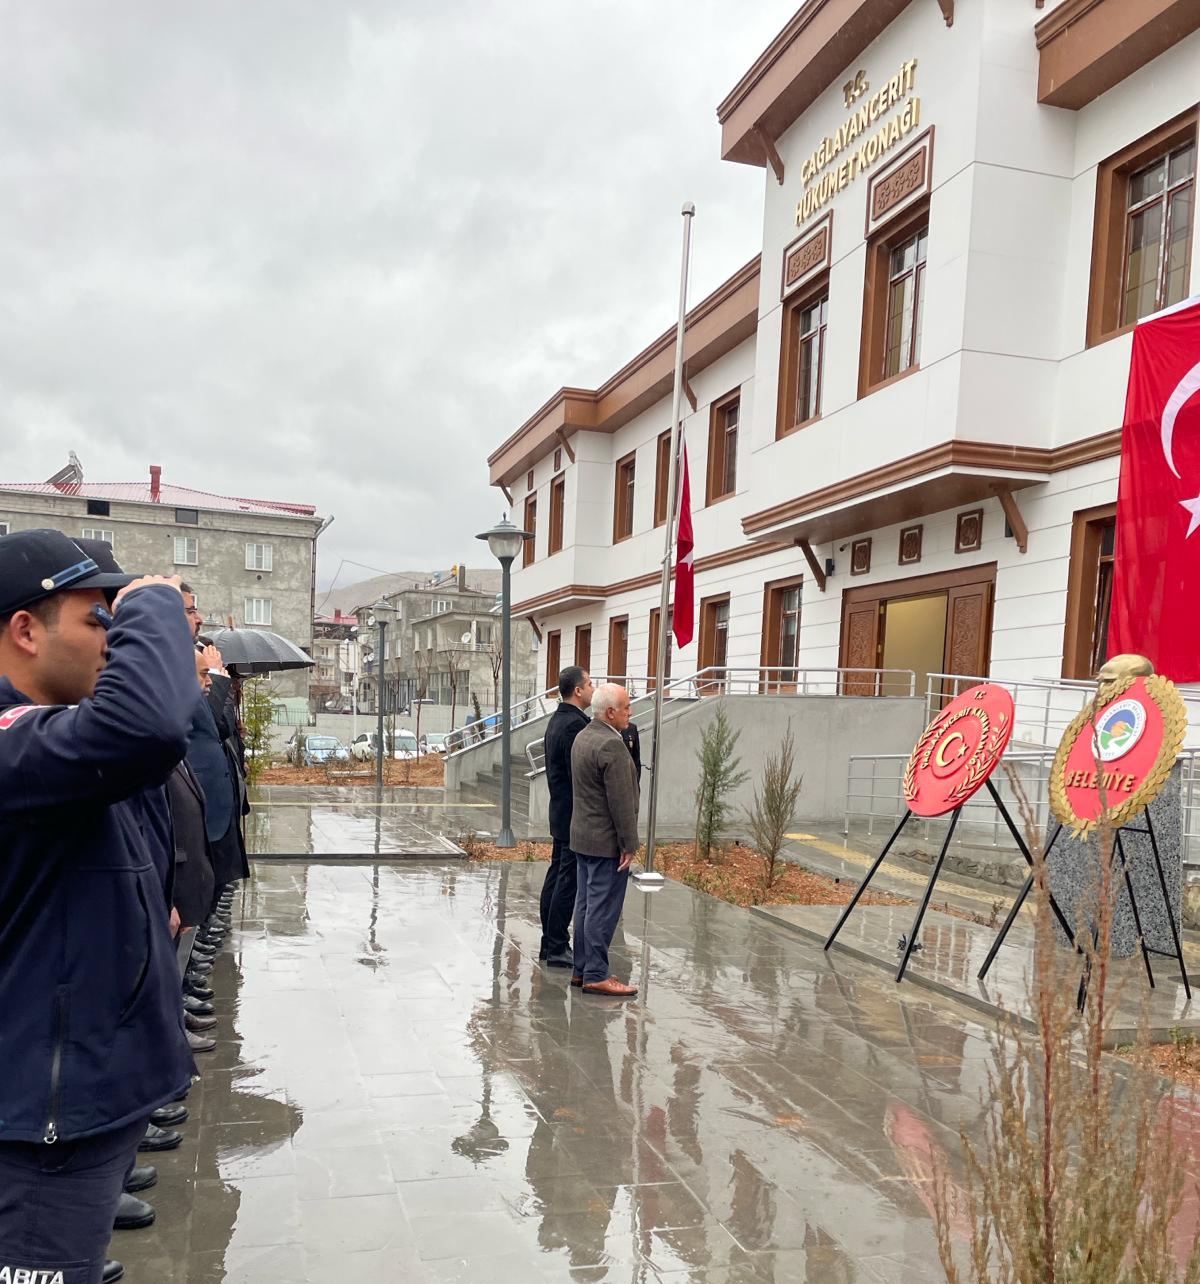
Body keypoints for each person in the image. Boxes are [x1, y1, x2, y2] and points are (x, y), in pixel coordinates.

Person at [0, 529, 197, 1284]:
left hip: (88, 1092)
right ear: (26, 629)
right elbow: (147, 725)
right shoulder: (14, 742)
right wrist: (150, 606)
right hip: (40, 1119)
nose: (115, 643)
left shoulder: (57, 739)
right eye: (99, 621)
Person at [569, 682, 640, 998]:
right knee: (601, 908)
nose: (630, 712)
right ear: (610, 712)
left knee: (585, 904)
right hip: (605, 842)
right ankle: (596, 974)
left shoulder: (584, 736)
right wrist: (629, 843)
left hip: (584, 837)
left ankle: (582, 969)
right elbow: (621, 801)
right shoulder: (611, 745)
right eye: (626, 707)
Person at [539, 666, 594, 968]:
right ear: (578, 690)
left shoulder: (559, 719)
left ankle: (550, 943)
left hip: (561, 811)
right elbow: (580, 775)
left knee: (556, 874)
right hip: (572, 813)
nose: (593, 688)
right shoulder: (574, 726)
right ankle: (558, 944)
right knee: (566, 880)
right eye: (589, 683)